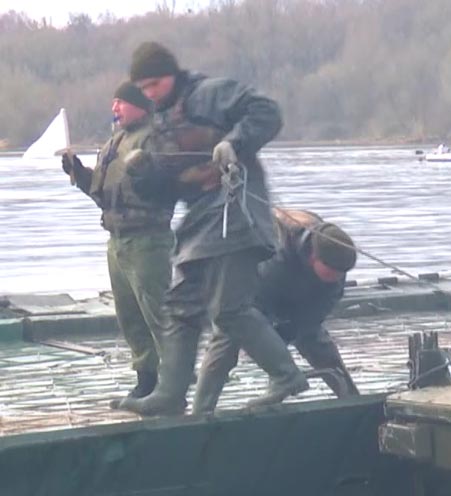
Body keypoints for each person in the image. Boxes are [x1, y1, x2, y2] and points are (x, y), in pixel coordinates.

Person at [119, 41, 308, 417]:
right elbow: (170, 187)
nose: (150, 94)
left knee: (229, 309)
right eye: (144, 89)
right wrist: (144, 175)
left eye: (155, 84)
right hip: (199, 219)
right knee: (180, 306)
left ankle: (285, 375)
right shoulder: (159, 125)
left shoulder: (210, 93)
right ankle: (170, 393)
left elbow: (267, 111)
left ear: (172, 75)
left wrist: (232, 143)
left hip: (237, 207)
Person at [62, 82, 176, 407]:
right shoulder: (114, 142)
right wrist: (80, 174)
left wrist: (150, 175)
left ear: (140, 106)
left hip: (149, 241)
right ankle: (147, 380)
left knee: (159, 314)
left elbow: (168, 183)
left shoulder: (155, 139)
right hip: (118, 241)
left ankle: (175, 383)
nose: (115, 109)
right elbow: (103, 195)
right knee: (129, 316)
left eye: (121, 103)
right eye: (113, 103)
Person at [193, 207, 360, 414]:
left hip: (300, 296)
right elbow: (251, 307)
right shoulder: (275, 257)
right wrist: (271, 343)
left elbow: (322, 307)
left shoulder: (336, 256)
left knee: (316, 342)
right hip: (248, 292)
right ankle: (200, 412)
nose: (337, 277)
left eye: (341, 274)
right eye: (333, 272)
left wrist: (296, 329)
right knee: (225, 341)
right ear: (314, 257)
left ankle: (353, 401)